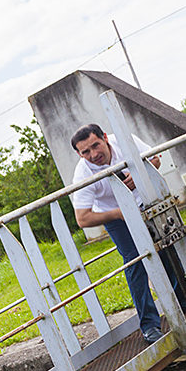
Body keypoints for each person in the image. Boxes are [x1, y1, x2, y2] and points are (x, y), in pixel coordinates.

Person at [70, 123, 166, 343]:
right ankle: (150, 326)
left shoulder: (123, 139)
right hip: (115, 216)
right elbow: (83, 218)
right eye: (86, 152)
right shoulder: (83, 174)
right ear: (79, 153)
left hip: (146, 201)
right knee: (134, 263)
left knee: (166, 250)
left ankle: (185, 304)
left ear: (105, 138)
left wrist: (139, 174)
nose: (94, 154)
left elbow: (156, 159)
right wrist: (119, 213)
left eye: (96, 145)